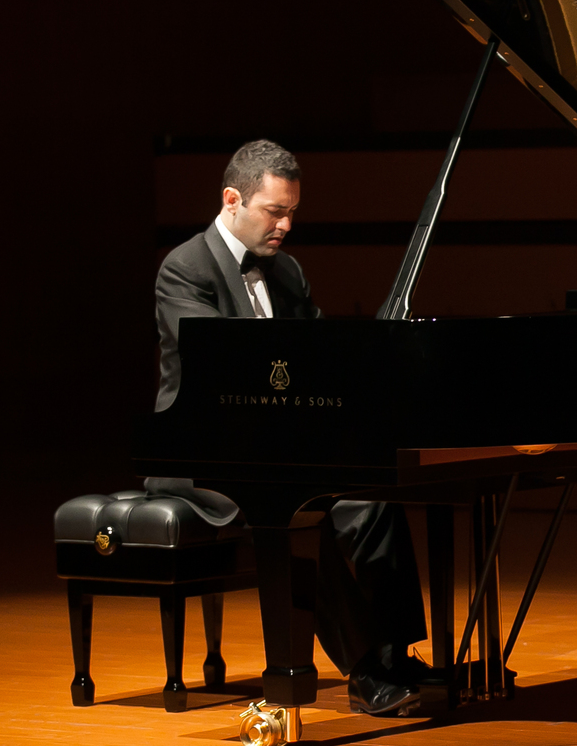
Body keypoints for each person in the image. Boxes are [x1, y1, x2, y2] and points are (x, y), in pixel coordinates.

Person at [152, 138, 428, 716]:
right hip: (203, 454)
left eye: (292, 212)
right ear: (232, 199)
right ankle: (364, 670)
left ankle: (397, 651)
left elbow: (318, 350)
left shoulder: (288, 271)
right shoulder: (185, 267)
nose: (286, 226)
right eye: (275, 211)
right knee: (295, 514)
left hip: (276, 446)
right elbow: (219, 363)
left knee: (372, 500)